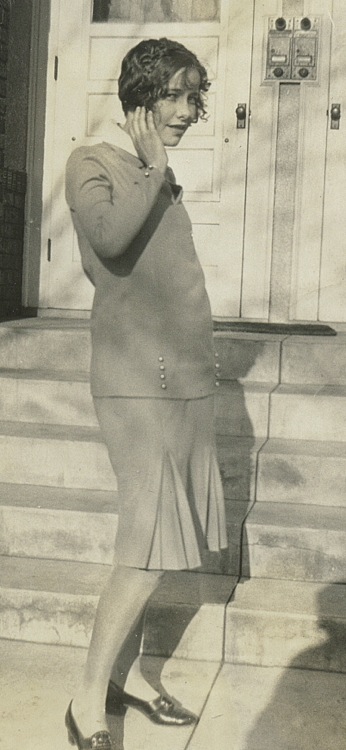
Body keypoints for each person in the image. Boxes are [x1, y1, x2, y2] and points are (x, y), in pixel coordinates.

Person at [64, 37, 227, 750]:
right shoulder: (93, 163)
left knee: (160, 548)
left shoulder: (144, 168)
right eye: (179, 96)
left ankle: (118, 682)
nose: (191, 112)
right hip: (136, 385)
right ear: (144, 93)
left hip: (184, 382)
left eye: (195, 97)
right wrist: (155, 169)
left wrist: (156, 170)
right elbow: (109, 241)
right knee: (144, 547)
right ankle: (84, 704)